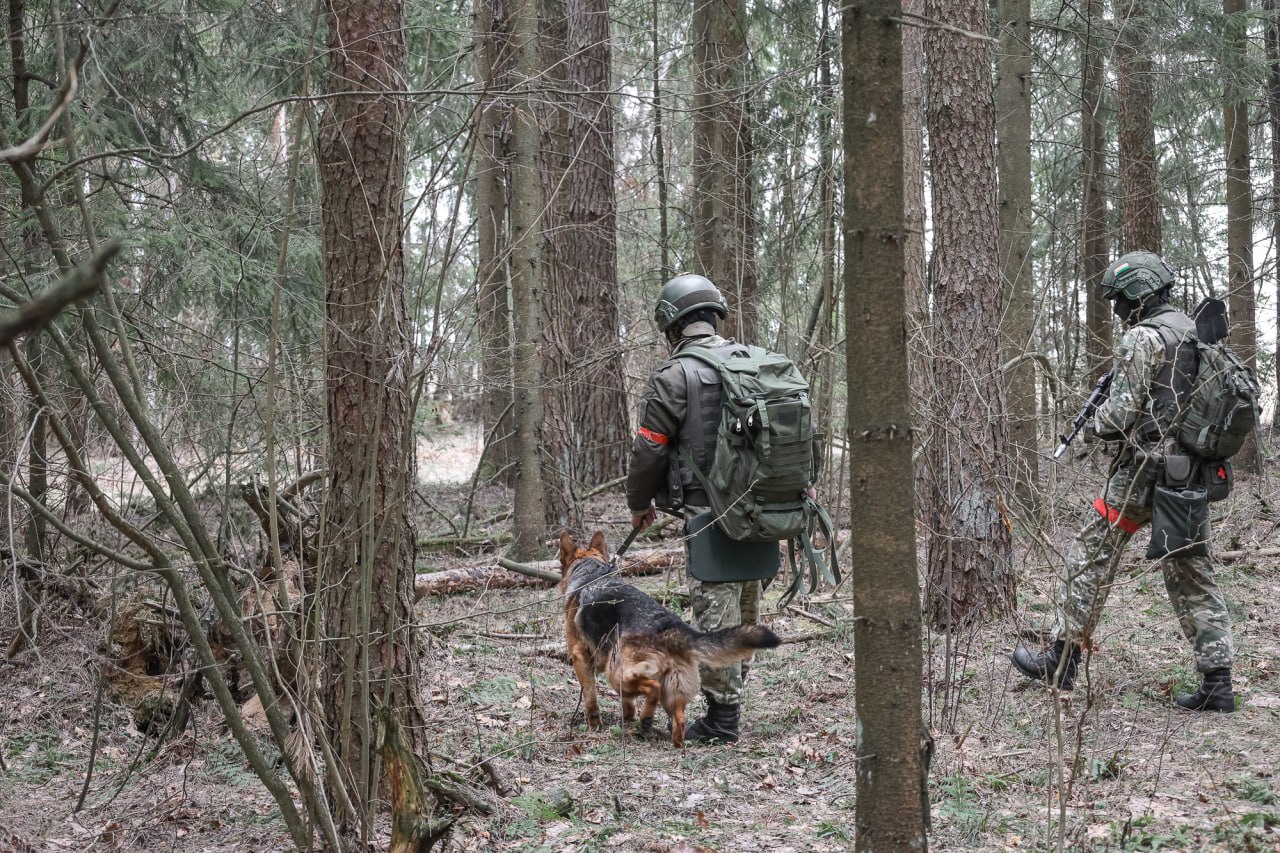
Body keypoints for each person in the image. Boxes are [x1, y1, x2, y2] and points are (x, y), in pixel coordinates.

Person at [1010, 251, 1236, 712]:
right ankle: (1218, 683)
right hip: (1189, 474)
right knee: (1191, 569)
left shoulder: (1144, 338)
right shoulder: (1194, 331)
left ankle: (1061, 661)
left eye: (1119, 300)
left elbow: (1117, 418)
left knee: (1089, 556)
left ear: (1138, 294)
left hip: (1143, 474)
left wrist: (1093, 423)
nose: (1116, 311)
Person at [625, 273, 767, 744]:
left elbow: (649, 450)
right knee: (746, 602)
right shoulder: (754, 362)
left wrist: (638, 503)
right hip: (763, 507)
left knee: (716, 614)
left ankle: (724, 719)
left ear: (672, 324)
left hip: (712, 511)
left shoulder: (674, 375)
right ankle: (733, 700)